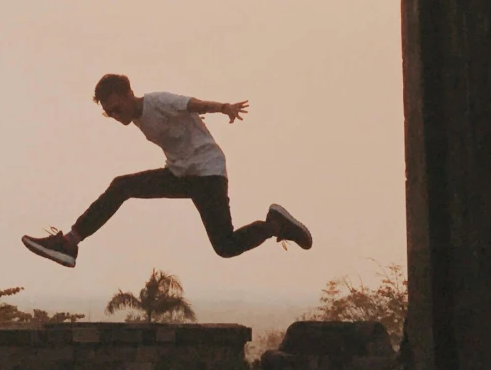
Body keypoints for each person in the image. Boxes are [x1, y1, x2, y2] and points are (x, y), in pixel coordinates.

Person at [21, 73, 311, 267]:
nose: (114, 116)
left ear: (128, 93)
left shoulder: (158, 102)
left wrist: (224, 107)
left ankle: (275, 224)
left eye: (116, 108)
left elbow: (192, 104)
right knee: (122, 186)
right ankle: (69, 243)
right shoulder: (135, 117)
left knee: (225, 246)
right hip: (180, 175)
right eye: (109, 113)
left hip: (207, 173)